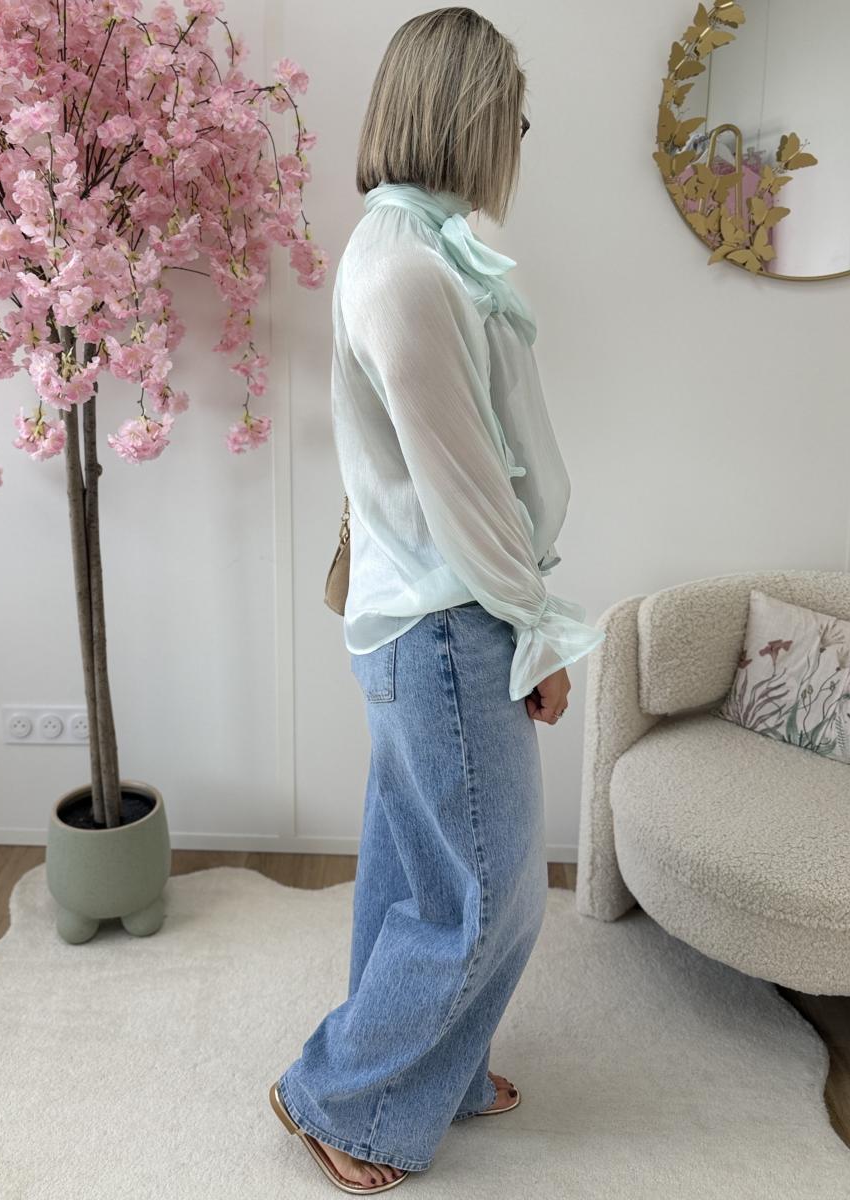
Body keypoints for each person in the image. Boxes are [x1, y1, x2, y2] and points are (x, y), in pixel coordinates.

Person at [269, 6, 606, 1193]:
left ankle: (429, 1074)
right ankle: (336, 1095)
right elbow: (468, 493)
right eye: (514, 116)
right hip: (453, 622)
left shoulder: (415, 248)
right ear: (469, 115)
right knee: (492, 898)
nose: (519, 138)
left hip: (431, 618)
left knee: (421, 872)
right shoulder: (408, 269)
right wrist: (538, 637)